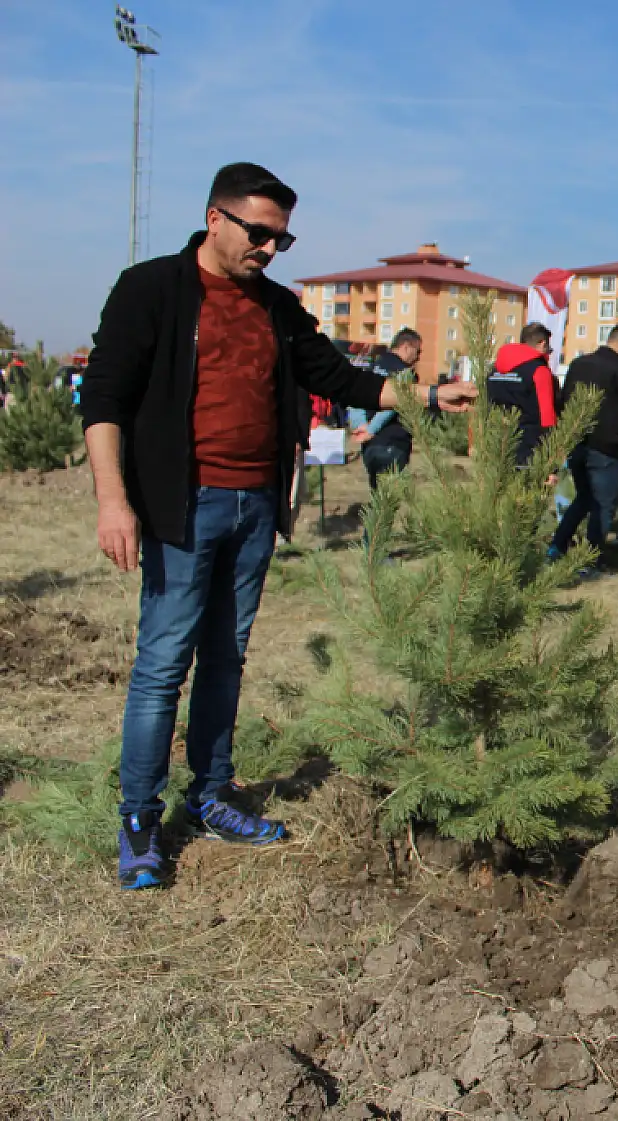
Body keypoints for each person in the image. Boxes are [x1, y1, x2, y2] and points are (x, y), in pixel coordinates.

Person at [79, 162, 475, 890]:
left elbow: (341, 376)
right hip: (180, 505)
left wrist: (425, 393)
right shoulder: (153, 290)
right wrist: (114, 499)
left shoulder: (276, 308)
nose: (268, 249)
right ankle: (140, 817)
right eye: (259, 233)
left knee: (226, 657)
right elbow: (103, 398)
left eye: (282, 240)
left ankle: (211, 791)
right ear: (215, 219)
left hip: (254, 504)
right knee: (164, 665)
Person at [550, 323, 618, 570]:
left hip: (577, 444)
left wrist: (565, 437)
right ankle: (589, 563)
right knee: (603, 505)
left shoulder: (578, 364)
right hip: (606, 448)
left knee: (583, 499)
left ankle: (556, 547)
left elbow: (563, 402)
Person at [347, 327, 422, 489]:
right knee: (389, 499)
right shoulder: (405, 373)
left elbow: (355, 398)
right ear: (406, 346)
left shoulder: (372, 365)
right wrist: (371, 429)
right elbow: (393, 403)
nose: (418, 357)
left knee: (377, 496)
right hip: (393, 442)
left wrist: (360, 425)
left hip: (370, 446)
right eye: (418, 351)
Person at [485, 323, 559, 468]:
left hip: (496, 451)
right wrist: (551, 460)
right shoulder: (539, 370)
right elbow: (547, 418)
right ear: (542, 343)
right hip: (531, 454)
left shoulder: (494, 370)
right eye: (548, 351)